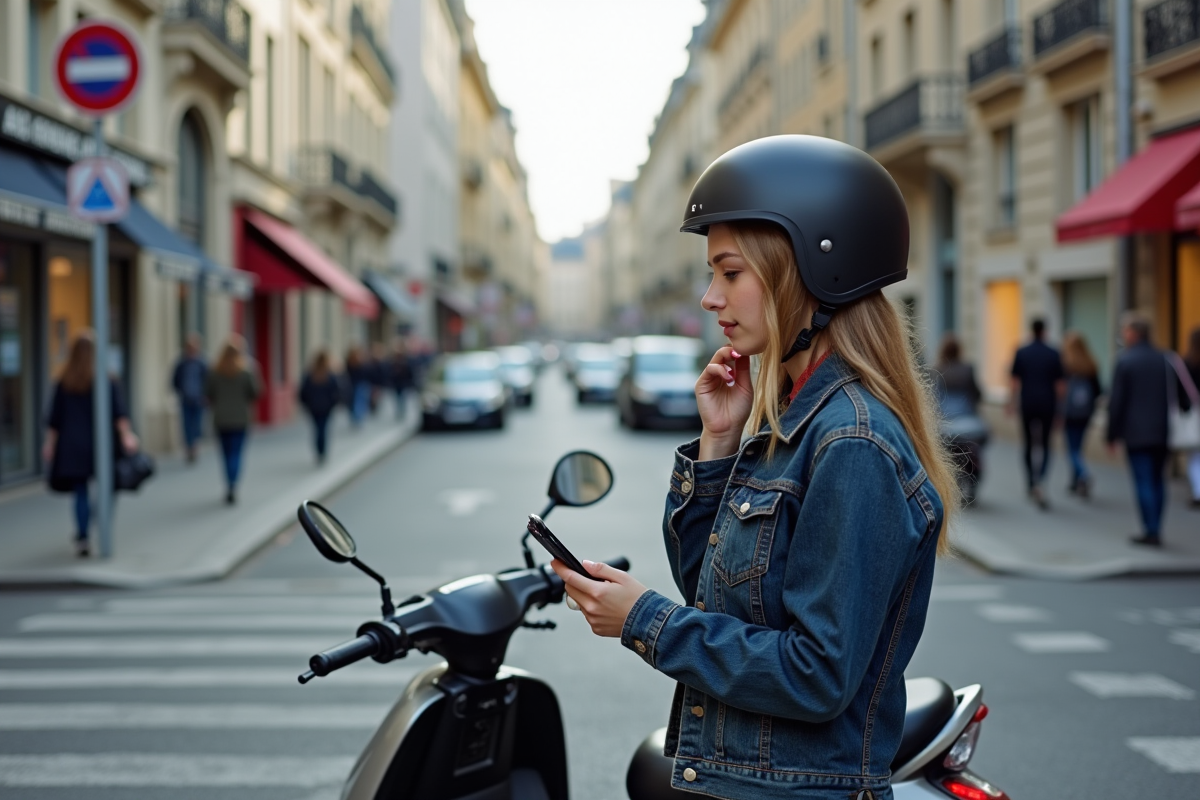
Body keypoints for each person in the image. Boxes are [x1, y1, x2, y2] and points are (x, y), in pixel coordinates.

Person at [550, 136, 957, 800]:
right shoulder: (790, 422)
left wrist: (641, 619)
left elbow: (817, 674)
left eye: (730, 272)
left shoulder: (851, 441)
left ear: (808, 269)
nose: (711, 298)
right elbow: (712, 597)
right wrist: (718, 442)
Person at [42, 331, 140, 557]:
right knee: (107, 487)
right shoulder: (107, 380)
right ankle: (98, 521)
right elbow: (120, 416)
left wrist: (50, 444)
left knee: (80, 491)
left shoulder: (64, 381)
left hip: (72, 446)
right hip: (101, 445)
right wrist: (127, 436)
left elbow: (54, 420)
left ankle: (83, 535)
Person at [1107, 313, 1187, 545]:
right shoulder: (1167, 358)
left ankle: (1150, 529)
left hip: (1136, 433)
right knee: (1158, 480)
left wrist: (1112, 434)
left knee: (1143, 481)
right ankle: (1156, 526)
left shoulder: (1126, 361)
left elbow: (1117, 403)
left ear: (1134, 333)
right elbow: (1183, 399)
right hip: (1163, 431)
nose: (1123, 335)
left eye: (1125, 330)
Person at [1009, 319, 1064, 508]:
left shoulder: (1022, 352)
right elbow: (1060, 386)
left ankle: (1031, 481)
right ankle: (1041, 479)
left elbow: (1015, 381)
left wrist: (1011, 402)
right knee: (1047, 444)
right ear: (1045, 331)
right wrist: (1060, 409)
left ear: (1032, 330)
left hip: (1028, 403)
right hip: (1048, 404)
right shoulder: (1053, 353)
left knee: (1028, 444)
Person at [205, 334, 261, 505]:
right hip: (240, 418)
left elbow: (208, 393)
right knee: (236, 453)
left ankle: (228, 483)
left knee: (226, 453)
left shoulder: (215, 371)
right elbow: (256, 392)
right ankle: (233, 484)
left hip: (221, 418)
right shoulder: (246, 370)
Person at [1060, 331, 1103, 498]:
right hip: (1086, 412)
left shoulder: (1066, 365)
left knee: (1072, 448)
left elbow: (1061, 389)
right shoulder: (1090, 364)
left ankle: (1083, 474)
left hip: (1069, 412)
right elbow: (1098, 390)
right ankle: (1076, 480)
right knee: (1078, 447)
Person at [298, 350, 343, 465]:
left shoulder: (310, 374)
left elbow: (303, 392)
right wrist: (333, 404)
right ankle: (322, 451)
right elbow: (336, 392)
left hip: (314, 408)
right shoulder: (329, 375)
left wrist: (306, 405)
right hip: (325, 408)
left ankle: (320, 450)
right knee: (323, 429)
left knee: (318, 429)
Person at [171, 333, 208, 463]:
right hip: (185, 398)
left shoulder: (202, 363)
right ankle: (189, 447)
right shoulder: (181, 363)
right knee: (186, 425)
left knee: (196, 424)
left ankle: (194, 446)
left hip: (198, 399)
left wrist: (206, 395)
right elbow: (175, 380)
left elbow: (208, 380)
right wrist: (179, 391)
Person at [1178, 326, 1200, 509]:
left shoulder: (1187, 363)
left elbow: (1180, 392)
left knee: (1195, 457)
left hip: (1194, 413)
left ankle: (1198, 491)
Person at [390, 339, 416, 421]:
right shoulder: (394, 359)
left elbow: (410, 371)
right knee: (398, 398)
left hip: (404, 382)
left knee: (402, 398)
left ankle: (402, 411)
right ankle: (399, 411)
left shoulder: (406, 359)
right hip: (397, 382)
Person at [344, 345, 371, 427]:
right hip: (359, 384)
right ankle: (357, 418)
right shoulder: (359, 362)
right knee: (358, 402)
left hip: (354, 384)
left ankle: (355, 418)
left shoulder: (350, 361)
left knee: (355, 401)